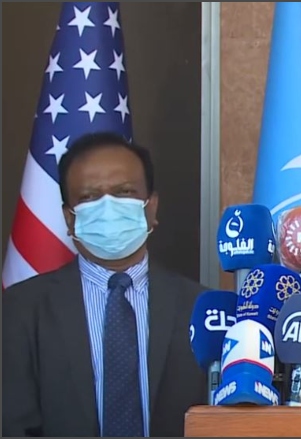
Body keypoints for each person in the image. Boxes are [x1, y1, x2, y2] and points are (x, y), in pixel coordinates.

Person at [2, 132, 208, 437]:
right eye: (89, 197)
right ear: (69, 218)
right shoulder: (21, 310)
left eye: (124, 192)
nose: (108, 207)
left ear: (151, 207)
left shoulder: (202, 307)